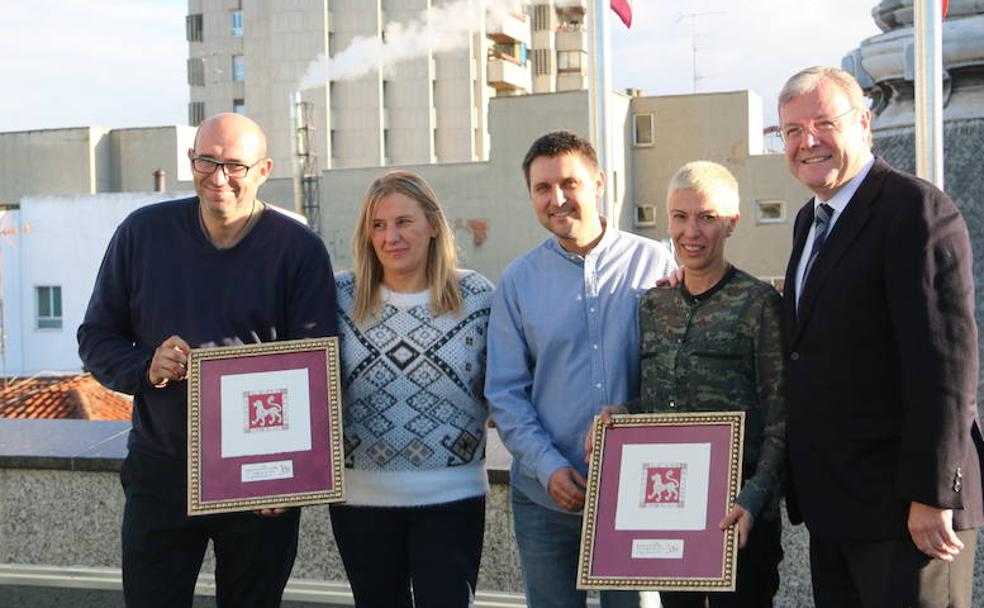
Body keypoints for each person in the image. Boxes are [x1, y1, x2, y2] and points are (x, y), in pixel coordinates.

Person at [77, 113, 338, 608]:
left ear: (264, 170)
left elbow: (318, 370)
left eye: (234, 165)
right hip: (162, 474)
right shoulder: (141, 234)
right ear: (190, 161)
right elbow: (95, 336)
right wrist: (145, 367)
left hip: (260, 486)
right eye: (207, 161)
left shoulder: (299, 249)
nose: (218, 177)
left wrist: (291, 478)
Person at [778, 66, 983, 608]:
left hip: (908, 514)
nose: (807, 141)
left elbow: (947, 363)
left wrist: (933, 493)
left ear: (864, 122)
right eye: (792, 130)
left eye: (824, 122)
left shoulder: (914, 209)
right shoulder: (810, 220)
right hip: (837, 507)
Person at [485, 130, 675, 607]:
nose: (557, 199)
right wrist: (549, 469)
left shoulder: (654, 263)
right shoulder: (517, 282)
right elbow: (506, 393)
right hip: (545, 497)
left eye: (570, 183)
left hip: (635, 496)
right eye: (542, 188)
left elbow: (674, 371)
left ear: (599, 183)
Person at [590, 161, 785, 607]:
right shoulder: (655, 305)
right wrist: (625, 415)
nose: (690, 231)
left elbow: (781, 417)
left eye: (706, 217)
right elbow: (663, 405)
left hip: (741, 517)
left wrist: (754, 497)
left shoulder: (760, 306)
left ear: (732, 224)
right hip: (673, 515)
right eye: (680, 217)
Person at [330, 170, 493, 607]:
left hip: (452, 499)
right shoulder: (337, 297)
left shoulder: (477, 297)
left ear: (434, 224)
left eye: (404, 222)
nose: (391, 237)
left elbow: (512, 385)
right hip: (360, 503)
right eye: (379, 225)